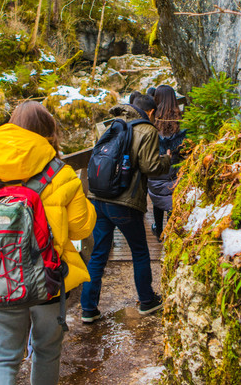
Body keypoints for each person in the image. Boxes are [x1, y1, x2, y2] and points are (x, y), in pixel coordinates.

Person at [0, 101, 96, 385]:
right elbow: (81, 227)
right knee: (46, 350)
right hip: (46, 280)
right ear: (50, 134)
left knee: (2, 358)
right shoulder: (60, 174)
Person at [80, 94, 171, 323]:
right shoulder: (147, 130)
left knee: (99, 253)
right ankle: (147, 301)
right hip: (124, 202)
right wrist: (167, 159)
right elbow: (150, 166)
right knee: (140, 251)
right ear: (150, 112)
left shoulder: (111, 125)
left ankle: (88, 309)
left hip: (99, 197)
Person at [148, 85, 187, 240]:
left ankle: (158, 230)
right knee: (171, 199)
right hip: (174, 171)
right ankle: (171, 232)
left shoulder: (152, 122)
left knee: (157, 199)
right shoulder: (180, 122)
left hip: (156, 170)